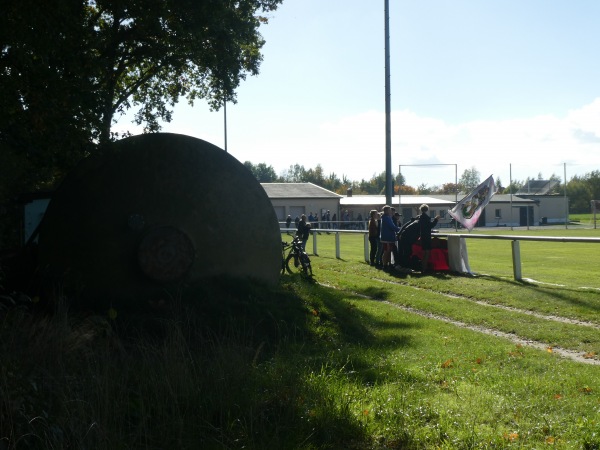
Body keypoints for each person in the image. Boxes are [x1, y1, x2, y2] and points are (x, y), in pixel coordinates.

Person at [418, 204, 441, 273]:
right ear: (427, 209)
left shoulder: (420, 217)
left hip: (422, 235)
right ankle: (424, 268)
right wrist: (436, 219)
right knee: (427, 252)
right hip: (427, 236)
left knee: (423, 252)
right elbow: (431, 225)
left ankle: (422, 267)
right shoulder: (426, 217)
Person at [380, 205, 400, 270]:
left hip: (388, 237)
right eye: (389, 210)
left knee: (388, 251)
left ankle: (388, 264)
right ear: (386, 211)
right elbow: (392, 226)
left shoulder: (387, 217)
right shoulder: (386, 218)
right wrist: (399, 229)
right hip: (387, 237)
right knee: (386, 251)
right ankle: (385, 265)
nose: (390, 211)